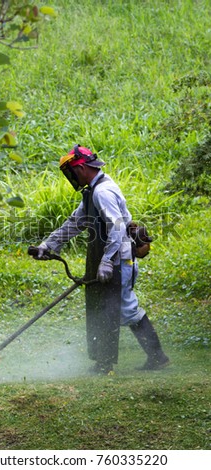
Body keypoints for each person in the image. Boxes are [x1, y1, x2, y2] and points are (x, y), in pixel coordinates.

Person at [35, 144, 169, 374]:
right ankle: (108, 361)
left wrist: (107, 261)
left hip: (119, 260)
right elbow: (75, 223)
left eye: (72, 172)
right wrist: (48, 245)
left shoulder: (102, 192)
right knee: (105, 307)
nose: (72, 177)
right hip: (110, 259)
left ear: (82, 168)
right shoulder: (92, 192)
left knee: (123, 308)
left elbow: (117, 229)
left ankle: (150, 358)